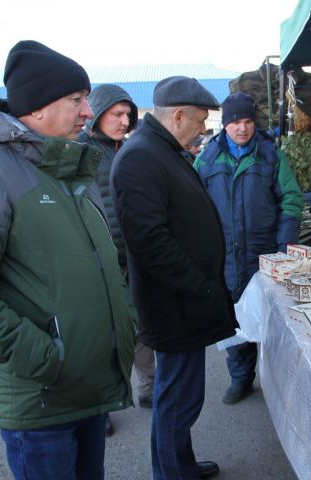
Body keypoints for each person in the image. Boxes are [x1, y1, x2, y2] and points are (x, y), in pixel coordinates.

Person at [0, 40, 136, 479]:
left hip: (89, 386)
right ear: (37, 108)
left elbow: (100, 262)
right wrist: (44, 357)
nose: (85, 112)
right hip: (42, 396)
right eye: (76, 100)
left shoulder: (71, 168)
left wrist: (123, 322)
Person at [111, 76, 238, 479]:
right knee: (176, 399)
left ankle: (179, 463)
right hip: (175, 305)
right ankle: (171, 473)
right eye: (200, 120)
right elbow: (149, 241)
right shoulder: (141, 156)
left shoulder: (161, 150)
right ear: (178, 115)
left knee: (182, 396)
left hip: (186, 301)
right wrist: (199, 285)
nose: (204, 129)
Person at [195, 92, 303, 404]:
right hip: (225, 256)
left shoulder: (271, 155)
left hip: (264, 253)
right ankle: (240, 377)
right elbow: (193, 208)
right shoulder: (207, 160)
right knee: (232, 320)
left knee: (272, 319)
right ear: (224, 125)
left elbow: (292, 201)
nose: (242, 128)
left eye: (247, 122)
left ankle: (280, 383)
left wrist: (283, 248)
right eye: (235, 122)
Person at [78, 85, 155, 437]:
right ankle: (103, 404)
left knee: (140, 324)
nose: (125, 122)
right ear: (96, 114)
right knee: (105, 335)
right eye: (116, 115)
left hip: (133, 257)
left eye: (128, 115)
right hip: (99, 262)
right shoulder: (78, 152)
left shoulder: (130, 149)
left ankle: (149, 388)